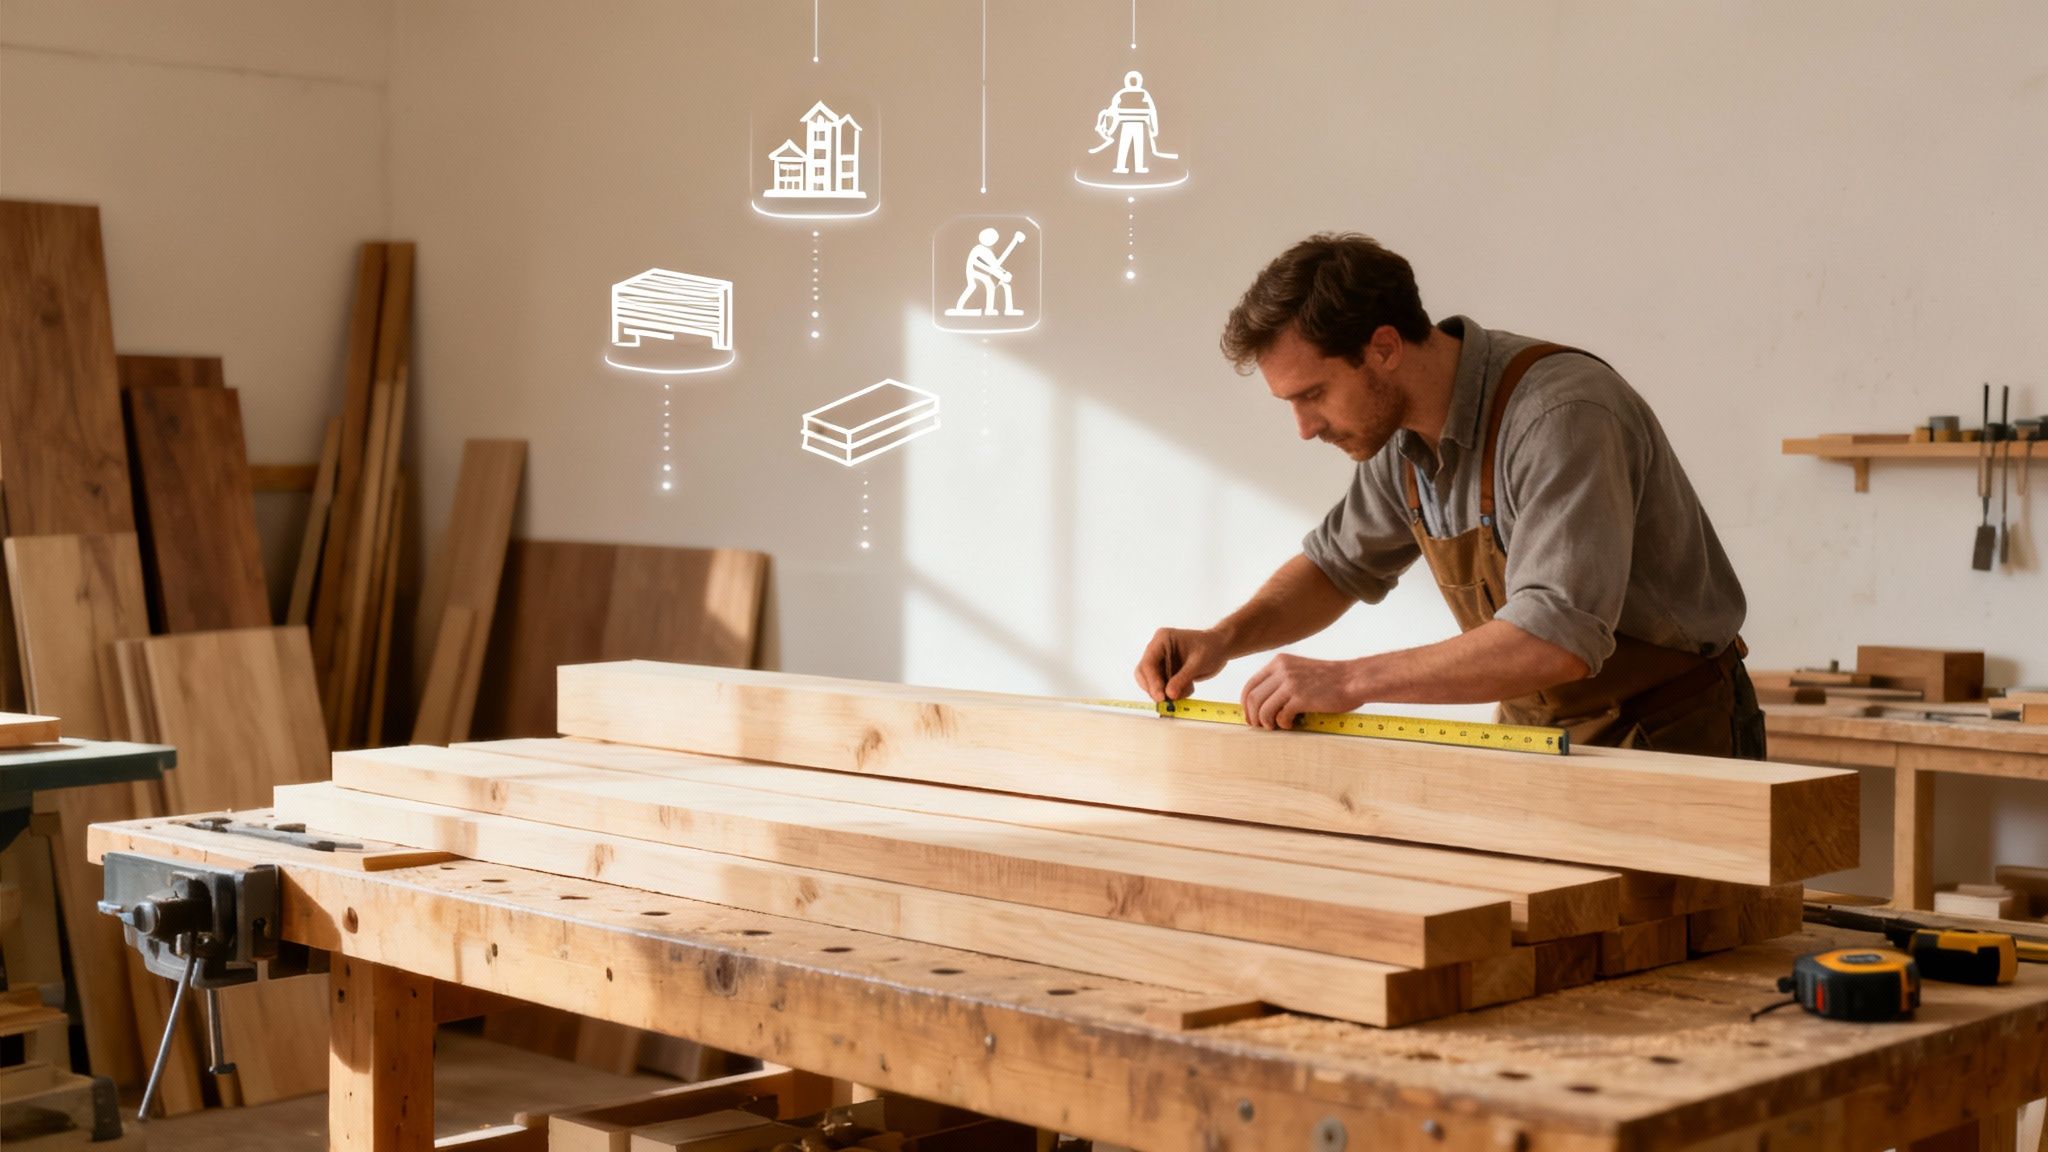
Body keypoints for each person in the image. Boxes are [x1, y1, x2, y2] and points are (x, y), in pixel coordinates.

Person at [1134, 233, 1763, 758]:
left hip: (1671, 734)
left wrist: (1349, 680)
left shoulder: (1561, 416)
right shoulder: (1399, 440)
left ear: (1382, 348)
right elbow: (1335, 567)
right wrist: (1222, 639)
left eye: (1313, 394)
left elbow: (1556, 639)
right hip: (1535, 734)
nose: (1305, 427)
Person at [946, 228, 1024, 317]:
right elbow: (994, 265)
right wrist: (1014, 242)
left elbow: (995, 265)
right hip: (975, 272)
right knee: (974, 286)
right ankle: (960, 308)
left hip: (983, 272)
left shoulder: (986, 251)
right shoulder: (979, 249)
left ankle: (1004, 309)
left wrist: (1003, 272)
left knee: (1003, 286)